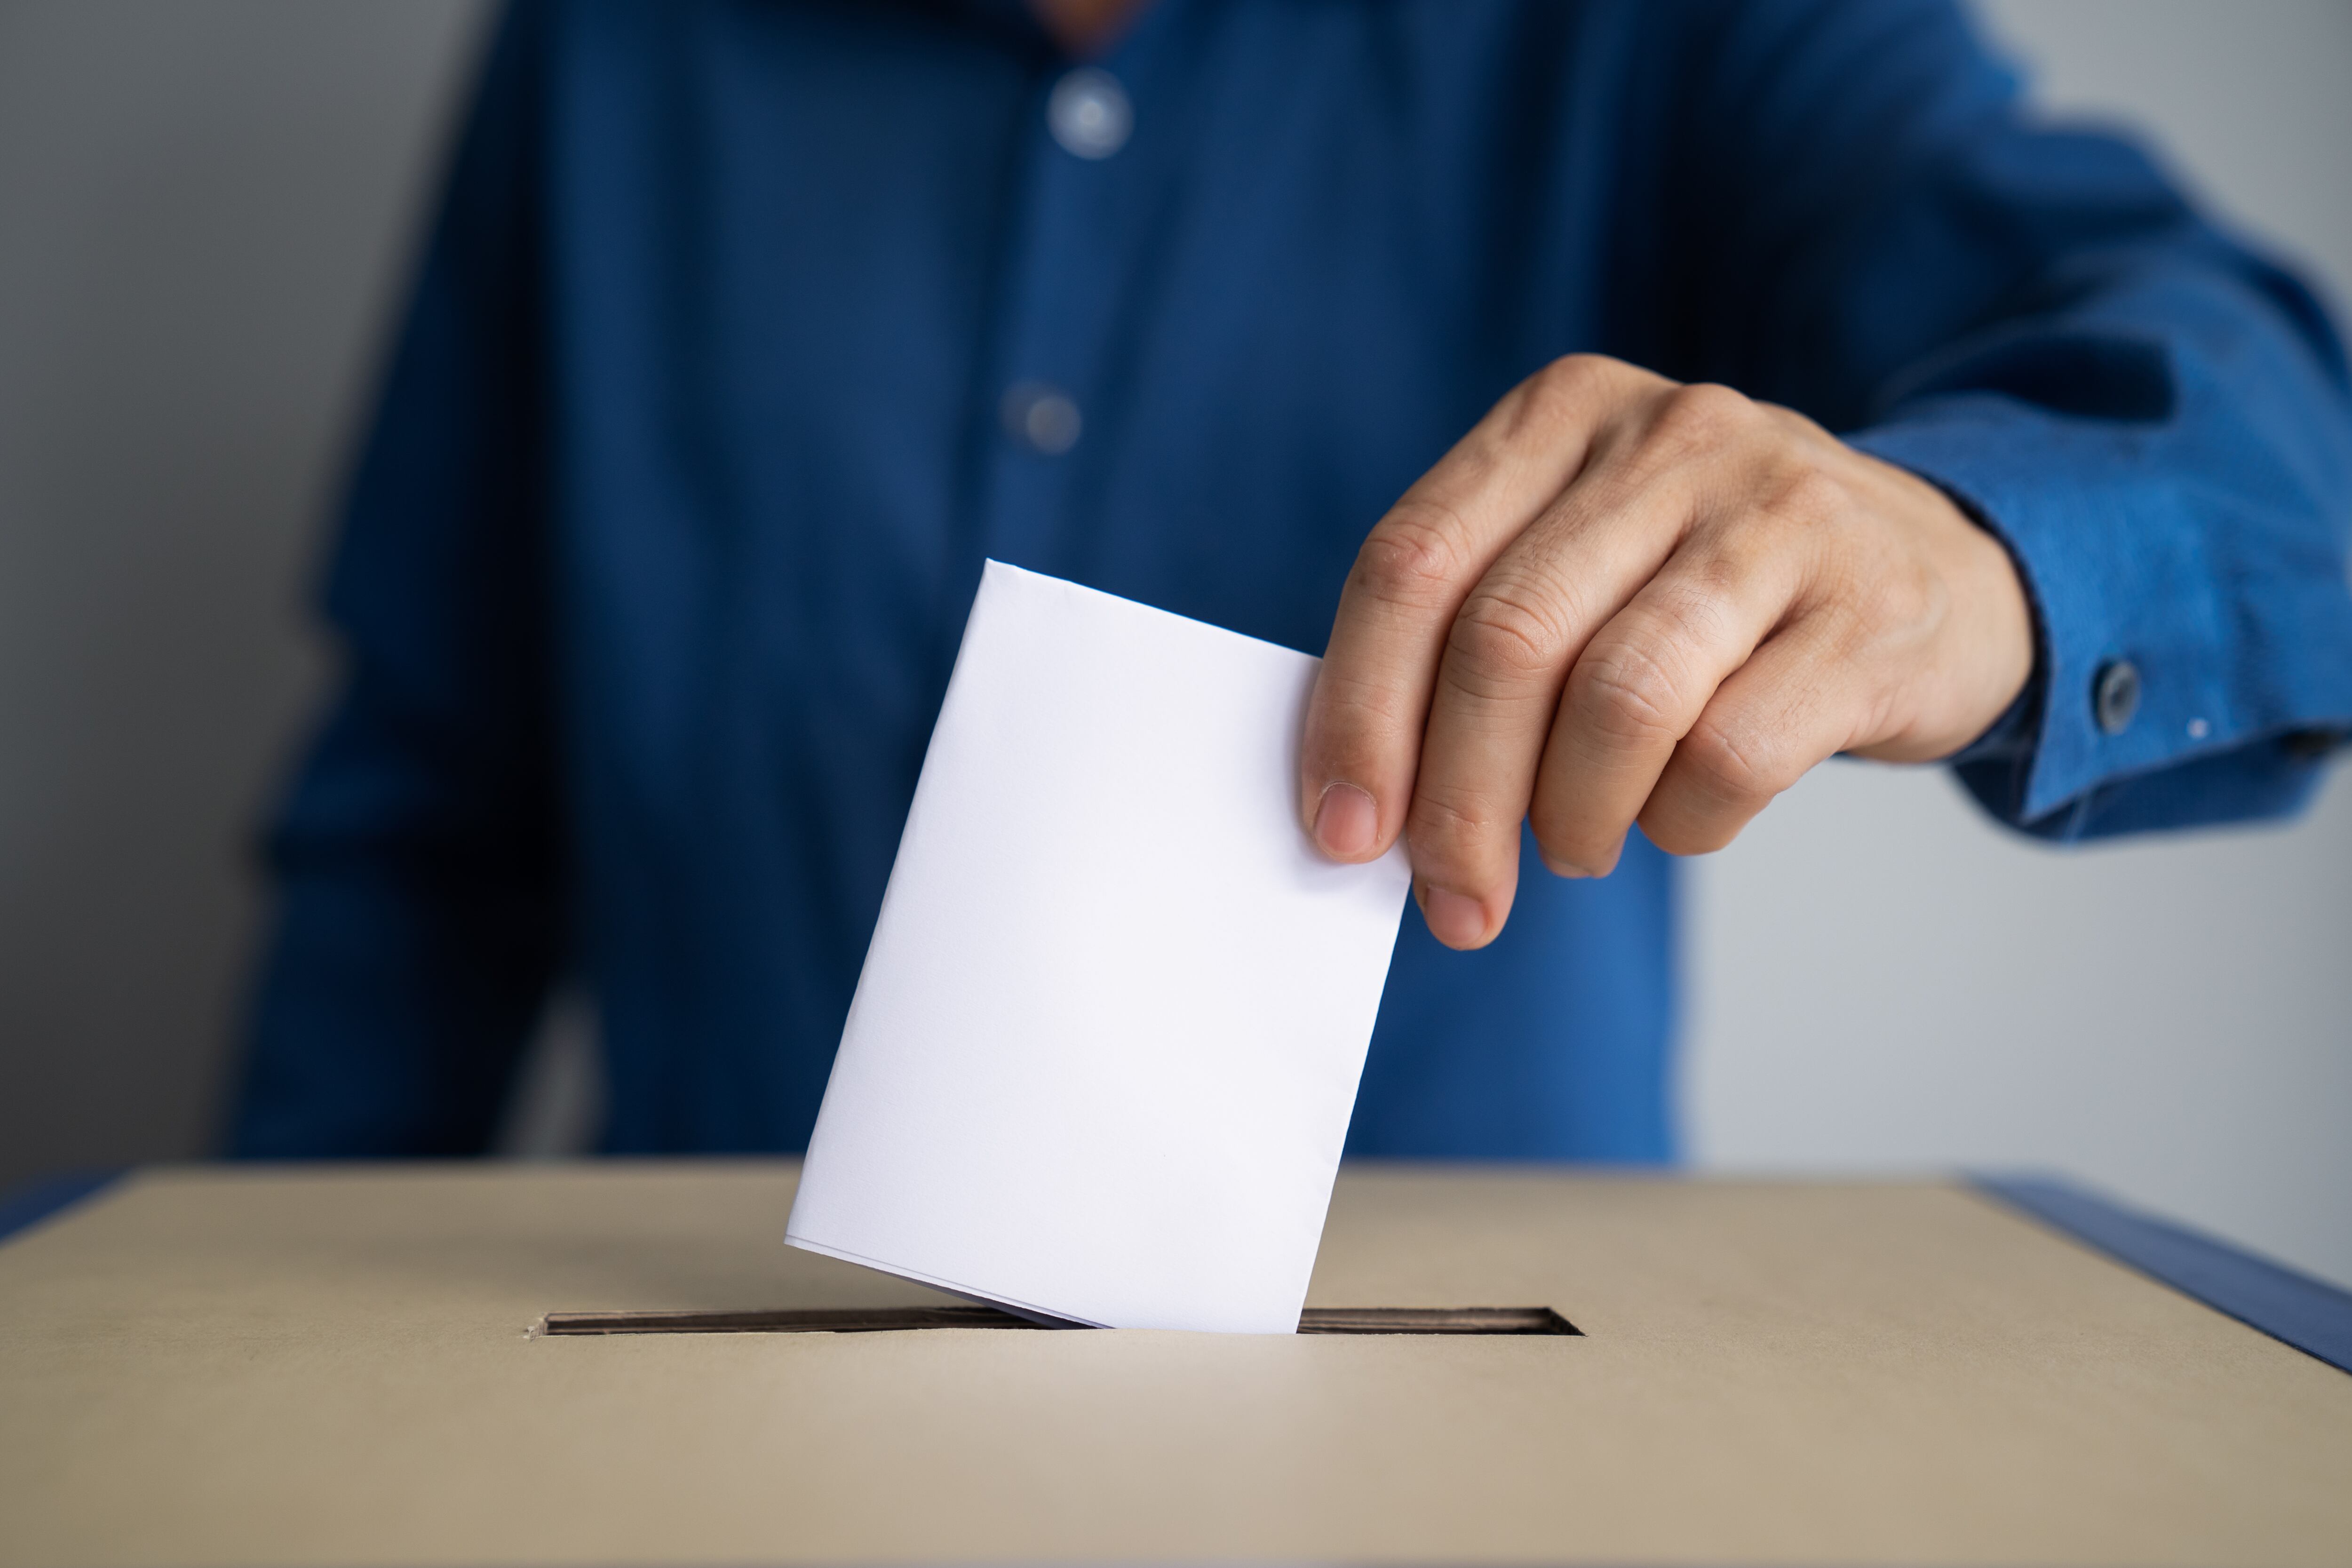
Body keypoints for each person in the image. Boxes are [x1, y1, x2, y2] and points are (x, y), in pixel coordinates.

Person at [230, 0, 2352, 1162]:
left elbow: (2284, 449)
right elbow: (424, 818)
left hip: (1482, 1418)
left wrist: (1970, 546)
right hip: (691, 1393)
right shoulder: (611, 50)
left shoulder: (1672, 31)